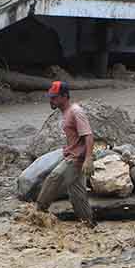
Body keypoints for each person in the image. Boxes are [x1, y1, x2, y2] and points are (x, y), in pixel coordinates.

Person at [36, 80, 96, 226]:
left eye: (54, 97)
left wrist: (88, 159)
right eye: (50, 97)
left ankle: (38, 212)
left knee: (54, 177)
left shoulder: (76, 112)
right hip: (72, 155)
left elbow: (88, 135)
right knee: (77, 193)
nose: (51, 100)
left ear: (64, 96)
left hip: (77, 158)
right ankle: (88, 223)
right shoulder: (65, 112)